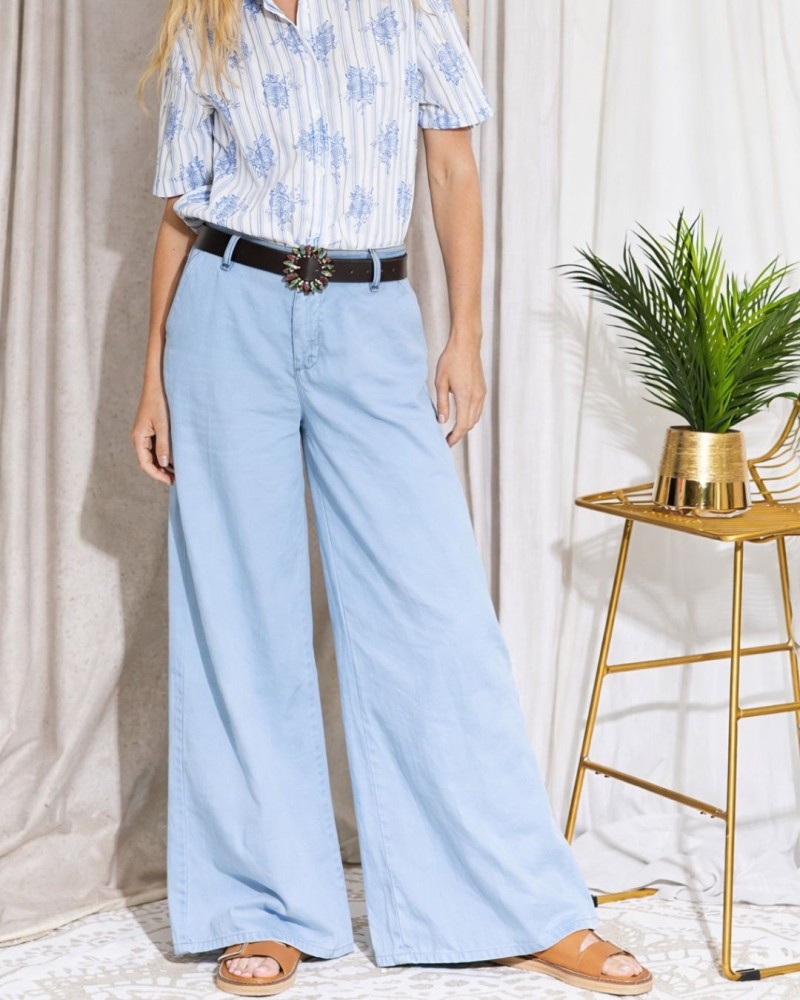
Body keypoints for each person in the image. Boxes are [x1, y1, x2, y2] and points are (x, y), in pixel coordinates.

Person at [131, 1, 652, 996]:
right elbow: (181, 211)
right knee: (239, 617)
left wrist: (465, 336)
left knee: (433, 609)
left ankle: (514, 904)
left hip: (369, 317)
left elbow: (451, 170)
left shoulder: (409, 9)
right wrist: (152, 372)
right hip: (226, 313)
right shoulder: (207, 20)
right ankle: (263, 905)